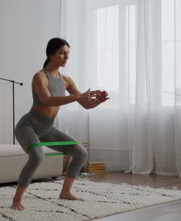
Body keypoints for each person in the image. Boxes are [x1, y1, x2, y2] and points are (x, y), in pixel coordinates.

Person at [11, 38, 109, 211]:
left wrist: (98, 102)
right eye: (62, 53)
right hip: (28, 126)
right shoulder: (40, 76)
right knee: (37, 156)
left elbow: (85, 104)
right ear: (51, 55)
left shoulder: (67, 80)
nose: (66, 57)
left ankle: (65, 192)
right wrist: (77, 97)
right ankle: (16, 200)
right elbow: (47, 100)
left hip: (48, 129)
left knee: (79, 151)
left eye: (68, 53)